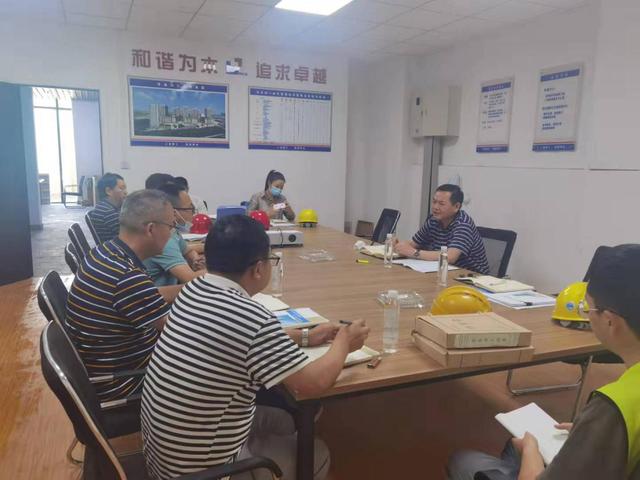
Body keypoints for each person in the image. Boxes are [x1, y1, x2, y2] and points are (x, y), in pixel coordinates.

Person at [141, 214, 370, 480]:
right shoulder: (249, 316)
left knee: (284, 421)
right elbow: (311, 384)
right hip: (203, 470)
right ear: (259, 268)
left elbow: (235, 339)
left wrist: (306, 337)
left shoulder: (195, 290)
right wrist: (344, 342)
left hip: (167, 454)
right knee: (319, 453)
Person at [447, 244, 640, 480]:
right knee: (513, 449)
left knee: (465, 461)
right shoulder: (616, 409)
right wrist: (590, 435)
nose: (587, 315)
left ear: (610, 321)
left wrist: (531, 450)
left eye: (587, 308)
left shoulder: (613, 407)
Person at [65, 190, 182, 402]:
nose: (172, 233)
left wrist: (193, 288)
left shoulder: (104, 252)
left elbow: (148, 296)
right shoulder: (127, 276)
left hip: (109, 368)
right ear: (151, 229)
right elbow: (180, 335)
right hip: (127, 383)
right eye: (171, 226)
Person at [394, 184, 490, 274]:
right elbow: (414, 244)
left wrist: (414, 253)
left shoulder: (463, 224)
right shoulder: (433, 220)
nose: (435, 207)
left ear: (456, 207)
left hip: (470, 277)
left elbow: (450, 257)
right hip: (442, 271)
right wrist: (399, 245)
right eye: (434, 202)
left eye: (441, 204)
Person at [143, 182, 205, 286]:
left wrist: (195, 259)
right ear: (173, 211)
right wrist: (218, 270)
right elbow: (190, 279)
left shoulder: (171, 230)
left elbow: (187, 251)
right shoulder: (164, 240)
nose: (193, 213)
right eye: (190, 208)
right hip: (160, 295)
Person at [87, 172, 127, 243]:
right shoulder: (108, 212)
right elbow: (127, 236)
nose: (126, 192)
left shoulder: (103, 206)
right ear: (108, 191)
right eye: (121, 188)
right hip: (116, 247)